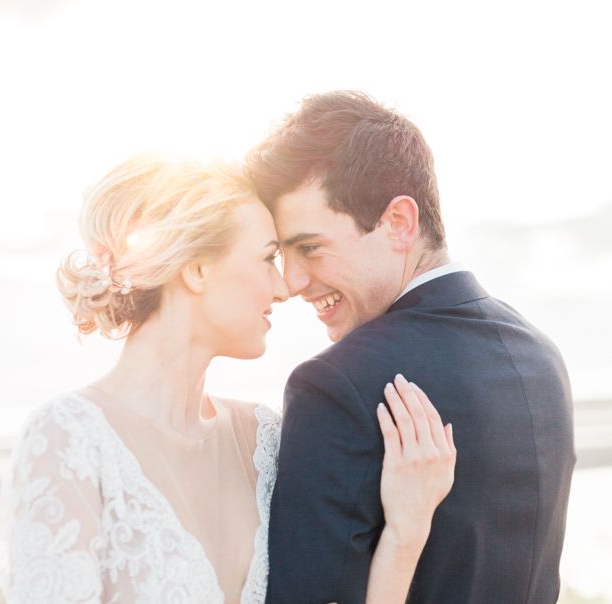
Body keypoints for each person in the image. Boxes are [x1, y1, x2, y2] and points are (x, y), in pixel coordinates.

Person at [0, 155, 456, 604]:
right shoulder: (69, 439)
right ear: (196, 270)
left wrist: (405, 532)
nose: (284, 287)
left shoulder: (262, 438)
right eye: (267, 258)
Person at [246, 90, 576, 604]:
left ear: (399, 222)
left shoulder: (337, 386)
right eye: (282, 254)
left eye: (309, 247)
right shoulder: (542, 356)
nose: (292, 282)